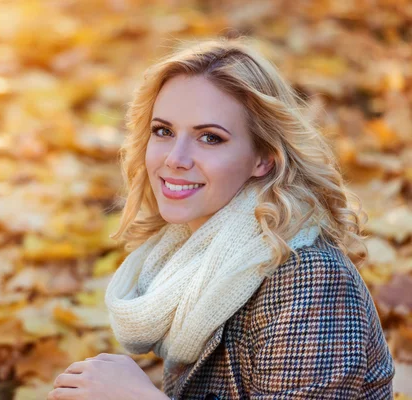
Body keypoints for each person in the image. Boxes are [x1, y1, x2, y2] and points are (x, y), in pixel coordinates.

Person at [48, 36, 395, 400]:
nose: (175, 159)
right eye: (163, 131)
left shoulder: (307, 276)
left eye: (210, 138)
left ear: (264, 157)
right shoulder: (196, 254)